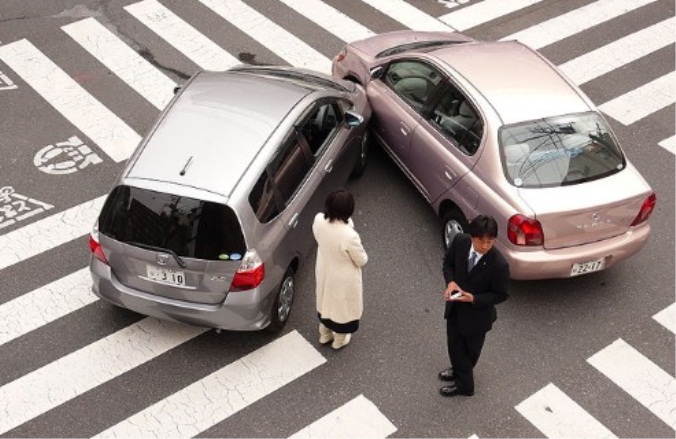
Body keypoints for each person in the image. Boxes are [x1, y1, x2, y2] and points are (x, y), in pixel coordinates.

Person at [438, 215, 510, 397]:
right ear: (472, 236)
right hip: (455, 308)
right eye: (481, 241)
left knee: (469, 352)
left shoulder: (499, 264)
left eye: (490, 241)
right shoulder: (460, 242)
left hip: (478, 318)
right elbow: (448, 263)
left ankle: (465, 386)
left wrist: (474, 299)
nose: (485, 246)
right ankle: (458, 370)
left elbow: (501, 294)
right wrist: (451, 282)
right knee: (454, 345)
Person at [312, 189, 368, 350]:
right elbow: (362, 260)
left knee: (325, 301)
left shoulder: (318, 221)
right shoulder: (349, 235)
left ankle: (324, 334)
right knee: (342, 308)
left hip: (324, 268)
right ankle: (339, 340)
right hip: (343, 277)